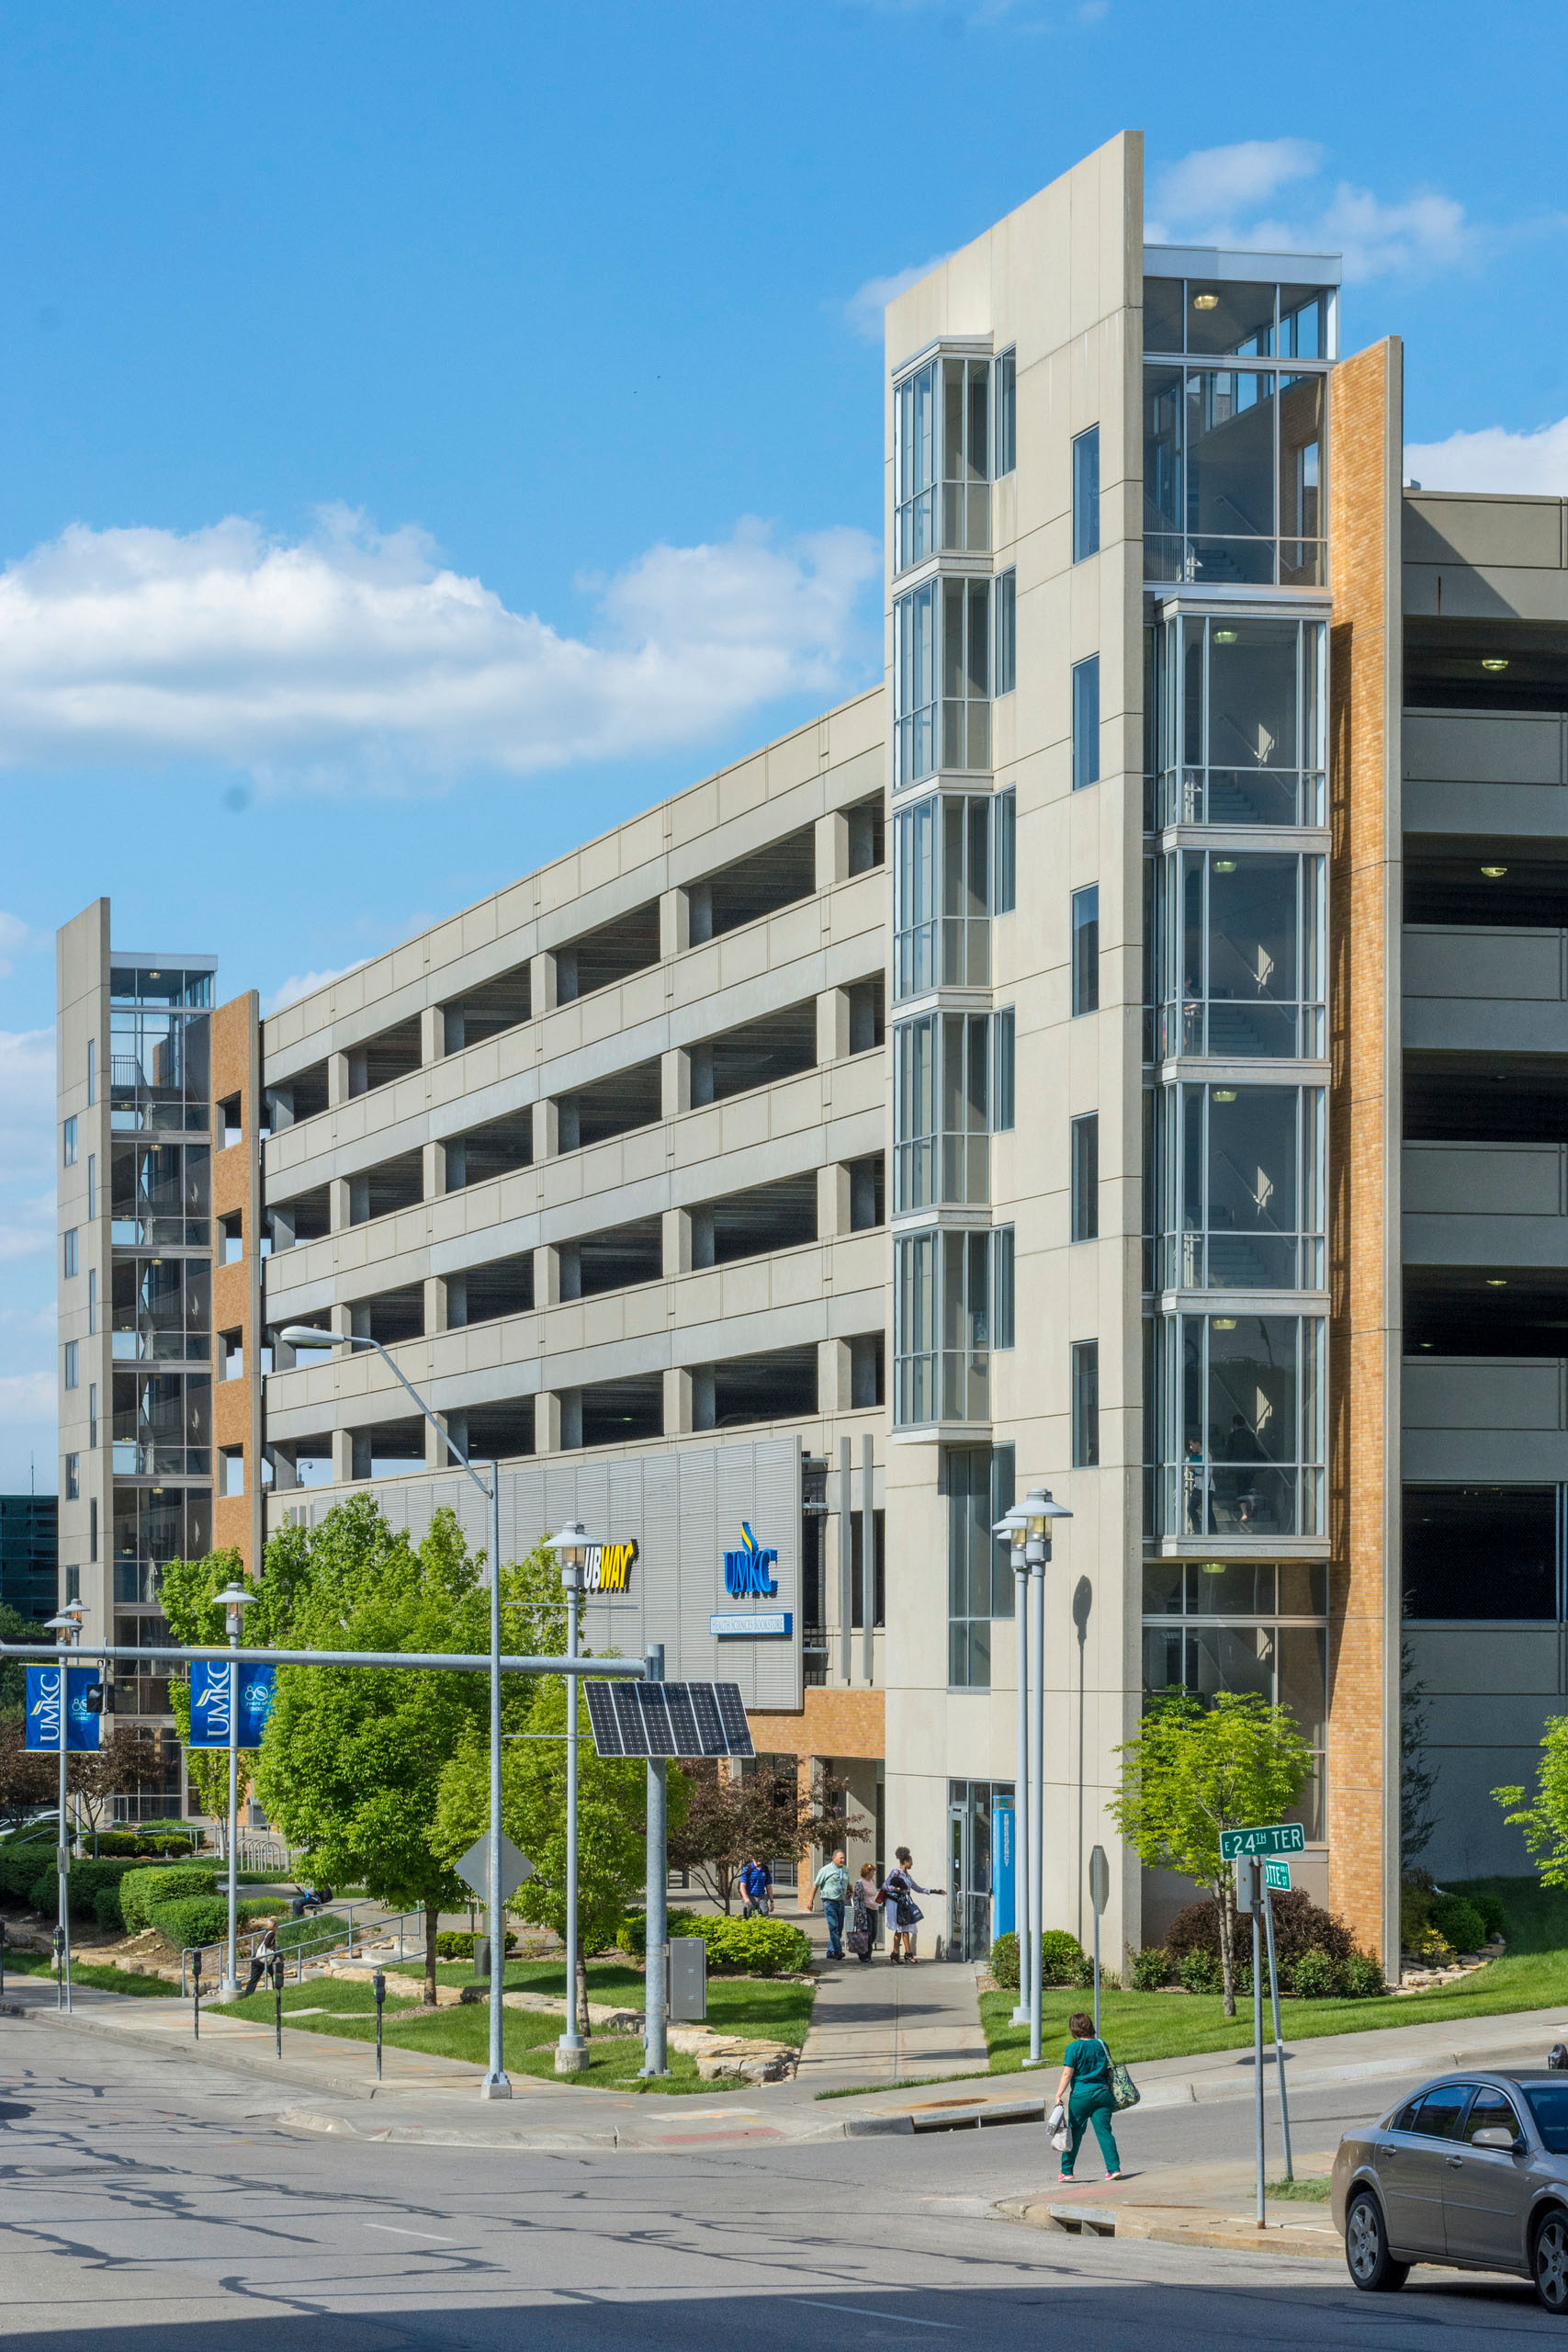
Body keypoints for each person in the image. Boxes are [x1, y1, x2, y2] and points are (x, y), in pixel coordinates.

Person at [1054, 2010, 1123, 2182]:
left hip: (1081, 2096)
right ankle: (1113, 2169)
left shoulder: (1073, 2048)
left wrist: (1058, 2094)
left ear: (1074, 2029)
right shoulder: (1102, 2044)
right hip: (1103, 2093)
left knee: (1075, 2133)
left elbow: (1067, 2074)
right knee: (1105, 2132)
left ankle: (1067, 2171)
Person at [881, 1847, 942, 1965]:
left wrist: (935, 1891)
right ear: (906, 1861)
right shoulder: (896, 1872)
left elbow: (918, 1888)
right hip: (895, 1903)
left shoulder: (908, 1876)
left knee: (903, 1928)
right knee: (903, 1928)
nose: (912, 1864)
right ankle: (907, 1954)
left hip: (904, 1903)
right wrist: (899, 1889)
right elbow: (885, 1885)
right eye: (911, 1861)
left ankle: (895, 1953)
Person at [806, 1849, 852, 1961]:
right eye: (841, 1858)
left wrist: (851, 1891)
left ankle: (830, 1952)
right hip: (829, 1902)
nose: (843, 1860)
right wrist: (810, 1900)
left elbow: (848, 1883)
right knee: (833, 1927)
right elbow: (815, 1885)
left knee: (838, 1929)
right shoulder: (825, 1870)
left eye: (843, 1858)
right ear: (833, 1858)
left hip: (841, 1902)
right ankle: (838, 1951)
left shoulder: (845, 1870)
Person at [848, 1862, 879, 1963]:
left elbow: (874, 1895)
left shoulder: (872, 1881)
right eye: (872, 1871)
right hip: (865, 1911)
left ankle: (862, 1952)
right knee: (867, 1933)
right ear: (867, 1872)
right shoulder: (860, 1883)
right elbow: (856, 1899)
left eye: (874, 1871)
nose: (874, 1873)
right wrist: (859, 1914)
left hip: (874, 1909)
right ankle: (866, 1956)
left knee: (874, 1934)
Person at [243, 1923, 278, 2000]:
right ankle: (276, 1991)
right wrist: (272, 1948)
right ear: (274, 1926)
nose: (277, 1928)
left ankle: (247, 1996)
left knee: (254, 1979)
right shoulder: (271, 1933)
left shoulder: (265, 1933)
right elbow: (267, 1944)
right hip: (265, 1959)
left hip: (257, 1958)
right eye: (277, 1926)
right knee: (274, 1975)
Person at [738, 1854, 773, 1919]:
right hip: (750, 1896)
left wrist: (772, 1901)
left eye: (761, 1858)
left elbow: (769, 1886)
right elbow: (742, 1885)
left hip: (762, 1896)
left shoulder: (765, 1869)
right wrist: (745, 1898)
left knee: (764, 1914)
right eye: (757, 1858)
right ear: (753, 1858)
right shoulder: (748, 1869)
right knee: (749, 1914)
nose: (759, 1860)